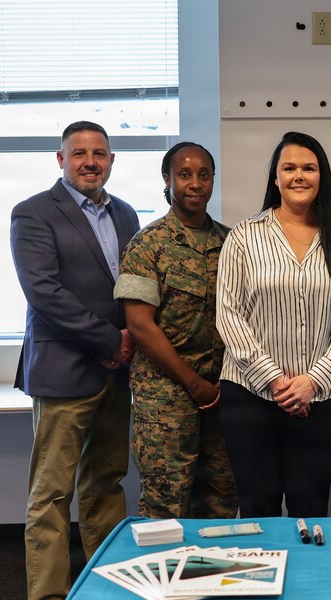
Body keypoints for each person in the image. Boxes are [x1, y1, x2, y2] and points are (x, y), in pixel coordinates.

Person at [11, 120, 138, 600]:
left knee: (106, 485)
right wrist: (110, 341)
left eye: (100, 154)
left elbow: (134, 287)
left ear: (111, 160)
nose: (91, 161)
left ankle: (106, 590)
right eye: (79, 153)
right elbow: (45, 293)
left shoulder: (126, 213)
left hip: (119, 372)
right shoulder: (33, 212)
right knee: (52, 494)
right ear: (59, 160)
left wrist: (132, 344)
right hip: (66, 371)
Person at [216, 131, 331, 518]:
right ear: (275, 178)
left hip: (321, 397)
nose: (298, 176)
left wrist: (311, 381)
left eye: (308, 167)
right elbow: (228, 312)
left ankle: (309, 580)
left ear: (322, 177)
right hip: (249, 395)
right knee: (257, 507)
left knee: (311, 504)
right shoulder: (244, 237)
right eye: (289, 168)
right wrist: (274, 380)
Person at [113, 142, 237, 520]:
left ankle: (211, 577)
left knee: (221, 497)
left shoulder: (232, 243)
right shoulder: (147, 245)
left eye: (204, 175)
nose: (195, 183)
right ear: (167, 180)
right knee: (166, 504)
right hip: (165, 396)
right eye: (184, 174)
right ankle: (161, 578)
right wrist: (193, 383)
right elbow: (139, 325)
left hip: (221, 391)